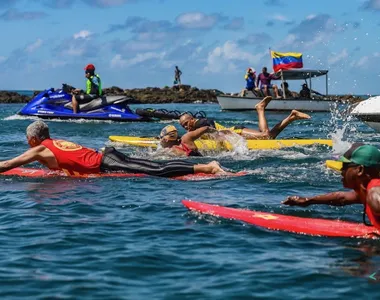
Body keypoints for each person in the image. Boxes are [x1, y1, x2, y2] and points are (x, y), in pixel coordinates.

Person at [0, 121, 227, 177]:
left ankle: (208, 167)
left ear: (33, 139)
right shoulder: (54, 142)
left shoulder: (38, 150)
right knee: (156, 165)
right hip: (107, 156)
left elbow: (7, 165)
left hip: (106, 163)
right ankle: (205, 166)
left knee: (157, 171)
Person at [283, 143, 380, 230]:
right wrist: (308, 200)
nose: (341, 170)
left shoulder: (374, 193)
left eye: (345, 166)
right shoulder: (365, 190)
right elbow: (341, 198)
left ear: (360, 170)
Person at [179, 96, 311, 140]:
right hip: (235, 133)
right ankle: (291, 117)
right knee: (270, 137)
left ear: (191, 119)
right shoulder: (194, 127)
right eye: (182, 126)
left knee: (265, 135)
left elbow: (209, 125)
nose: (185, 126)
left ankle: (260, 109)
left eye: (186, 123)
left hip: (236, 132)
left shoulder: (199, 123)